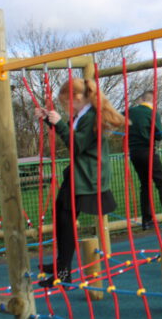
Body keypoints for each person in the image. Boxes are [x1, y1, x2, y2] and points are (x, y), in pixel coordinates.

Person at [35, 77, 127, 288]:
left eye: (65, 103)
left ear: (77, 98)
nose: (64, 108)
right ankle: (62, 265)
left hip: (87, 176)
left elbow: (76, 144)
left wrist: (58, 123)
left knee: (66, 221)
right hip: (77, 173)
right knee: (61, 217)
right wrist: (50, 119)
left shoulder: (92, 117)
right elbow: (69, 133)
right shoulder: (81, 116)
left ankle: (64, 271)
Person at [128, 90, 162, 230]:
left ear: (141, 99)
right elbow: (159, 135)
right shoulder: (152, 113)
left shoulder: (131, 111)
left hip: (134, 153)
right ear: (153, 101)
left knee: (144, 185)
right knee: (161, 183)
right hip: (147, 151)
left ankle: (147, 221)